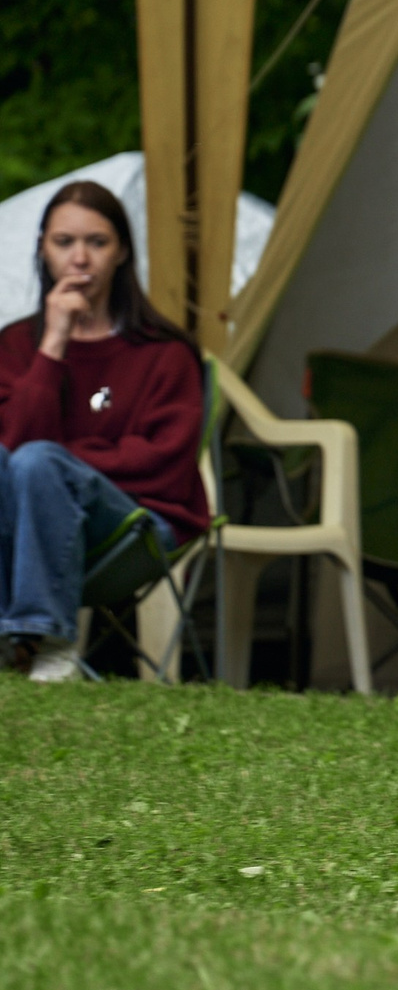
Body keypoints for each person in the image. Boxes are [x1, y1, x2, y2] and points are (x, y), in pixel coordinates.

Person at [0, 181, 209, 681]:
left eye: (97, 242)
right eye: (63, 242)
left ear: (122, 253)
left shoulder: (164, 352)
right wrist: (53, 345)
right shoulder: (14, 346)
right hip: (29, 514)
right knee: (29, 463)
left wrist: (65, 462)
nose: (80, 258)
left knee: (40, 462)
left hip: (136, 522)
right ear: (43, 251)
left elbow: (165, 464)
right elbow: (11, 449)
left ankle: (46, 643)